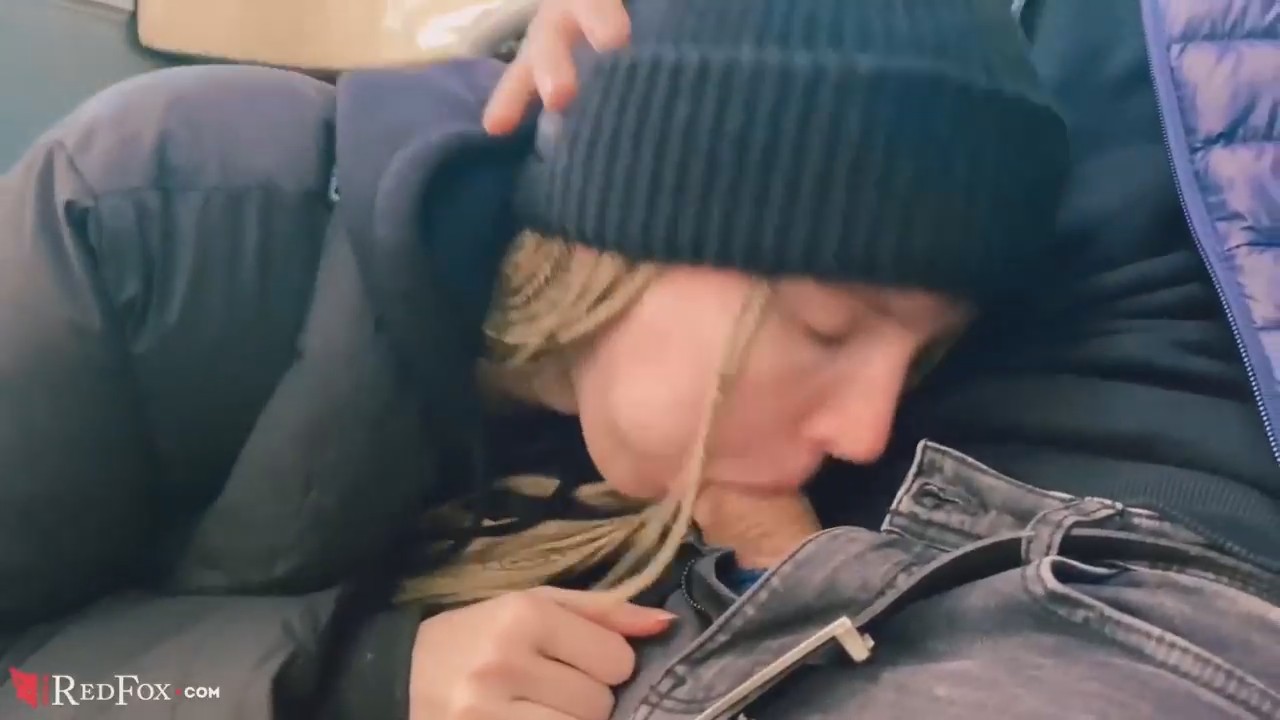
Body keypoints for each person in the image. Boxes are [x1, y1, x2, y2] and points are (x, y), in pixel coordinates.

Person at [0, 0, 1275, 719]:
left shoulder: (710, 433)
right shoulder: (152, 215)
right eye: (827, 328)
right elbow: (30, 677)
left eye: (920, 355)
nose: (868, 429)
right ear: (631, 223)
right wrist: (367, 674)